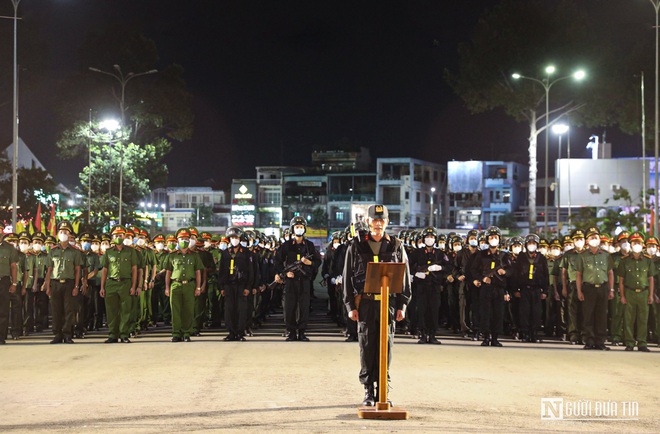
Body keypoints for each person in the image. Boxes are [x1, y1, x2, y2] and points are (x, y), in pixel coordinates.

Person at [342, 204, 411, 407]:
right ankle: (368, 391)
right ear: (368, 222)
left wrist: (403, 305)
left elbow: (405, 279)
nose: (378, 224)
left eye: (382, 220)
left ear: (387, 222)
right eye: (375, 220)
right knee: (367, 346)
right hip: (365, 304)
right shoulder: (356, 245)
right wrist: (350, 306)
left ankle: (383, 389)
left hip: (388, 304)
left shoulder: (396, 246)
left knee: (385, 347)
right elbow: (347, 277)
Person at [274, 216, 321, 342]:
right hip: (290, 281)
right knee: (289, 307)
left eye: (301, 227)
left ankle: (302, 332)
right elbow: (277, 261)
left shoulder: (309, 246)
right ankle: (291, 332)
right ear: (292, 229)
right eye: (296, 227)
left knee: (304, 307)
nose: (299, 229)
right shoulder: (286, 245)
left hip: (304, 281)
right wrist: (284, 274)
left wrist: (309, 263)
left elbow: (318, 261)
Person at [470, 226, 512, 347]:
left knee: (498, 314)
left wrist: (505, 273)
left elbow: (512, 271)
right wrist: (482, 278)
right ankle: (486, 337)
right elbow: (473, 270)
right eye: (491, 237)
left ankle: (495, 338)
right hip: (486, 288)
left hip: (499, 289)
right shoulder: (481, 255)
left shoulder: (504, 256)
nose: (494, 239)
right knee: (485, 313)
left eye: (496, 237)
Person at [410, 226, 452, 344]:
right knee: (422, 310)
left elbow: (449, 267)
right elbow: (409, 265)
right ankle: (422, 334)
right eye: (427, 237)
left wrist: (440, 267)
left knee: (434, 310)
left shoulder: (440, 254)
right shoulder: (417, 253)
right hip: (421, 286)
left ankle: (432, 334)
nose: (429, 239)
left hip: (435, 286)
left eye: (432, 237)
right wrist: (417, 273)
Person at [576, 227, 614, 350]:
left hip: (603, 288)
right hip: (588, 288)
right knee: (588, 315)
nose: (594, 239)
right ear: (587, 241)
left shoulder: (606, 255)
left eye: (596, 237)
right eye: (591, 237)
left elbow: (610, 273)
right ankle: (589, 341)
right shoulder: (582, 256)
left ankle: (600, 341)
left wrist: (611, 289)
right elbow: (579, 275)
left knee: (602, 316)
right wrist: (579, 291)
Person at [44, 221, 83, 344]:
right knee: (56, 310)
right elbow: (49, 269)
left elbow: (77, 270)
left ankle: (67, 334)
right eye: (61, 232)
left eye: (65, 232)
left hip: (69, 283)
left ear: (69, 234)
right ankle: (57, 334)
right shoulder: (52, 250)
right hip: (55, 283)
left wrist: (77, 286)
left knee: (69, 310)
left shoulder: (75, 251)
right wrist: (47, 285)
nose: (63, 234)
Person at [163, 228, 204, 342]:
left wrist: (198, 287)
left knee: (188, 310)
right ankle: (176, 333)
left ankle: (186, 332)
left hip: (189, 285)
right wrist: (167, 287)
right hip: (175, 285)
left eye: (186, 239)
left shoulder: (194, 255)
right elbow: (168, 272)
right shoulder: (172, 256)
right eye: (182, 239)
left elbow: (198, 272)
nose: (184, 241)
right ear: (177, 240)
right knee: (175, 310)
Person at [100, 225, 139, 343]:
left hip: (125, 283)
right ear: (112, 237)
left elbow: (134, 270)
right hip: (111, 283)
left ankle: (124, 334)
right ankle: (112, 334)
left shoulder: (131, 251)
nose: (118, 237)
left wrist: (133, 286)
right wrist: (102, 286)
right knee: (111, 311)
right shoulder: (108, 252)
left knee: (125, 310)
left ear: (124, 237)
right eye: (116, 235)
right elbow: (105, 270)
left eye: (120, 235)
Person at [617, 232, 655, 352]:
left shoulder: (648, 261)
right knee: (629, 319)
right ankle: (629, 342)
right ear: (631, 244)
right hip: (629, 292)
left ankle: (642, 343)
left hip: (643, 293)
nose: (636, 245)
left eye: (639, 242)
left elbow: (651, 279)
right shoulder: (624, 261)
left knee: (643, 319)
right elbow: (621, 280)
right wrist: (622, 295)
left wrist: (650, 294)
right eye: (634, 243)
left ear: (642, 244)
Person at [511, 234, 549, 343]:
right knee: (524, 312)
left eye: (533, 243)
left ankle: (534, 334)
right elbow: (516, 275)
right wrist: (516, 290)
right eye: (529, 243)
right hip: (524, 289)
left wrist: (545, 291)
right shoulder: (521, 257)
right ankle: (525, 333)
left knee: (536, 313)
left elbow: (545, 275)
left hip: (537, 290)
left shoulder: (541, 258)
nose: (531, 245)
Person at [218, 227, 254, 341]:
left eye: (236, 237)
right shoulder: (225, 253)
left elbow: (251, 271)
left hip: (241, 285)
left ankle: (240, 332)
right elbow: (222, 271)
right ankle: (231, 332)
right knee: (229, 310)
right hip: (228, 285)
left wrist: (248, 287)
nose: (234, 239)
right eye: (232, 237)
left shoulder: (247, 253)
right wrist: (222, 287)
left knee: (241, 310)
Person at [560, 229, 586, 344]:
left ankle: (584, 334)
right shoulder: (568, 254)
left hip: (586, 285)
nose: (579, 241)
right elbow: (564, 272)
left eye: (581, 239)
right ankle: (573, 334)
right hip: (572, 285)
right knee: (572, 310)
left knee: (585, 311)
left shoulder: (588, 253)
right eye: (576, 239)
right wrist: (564, 287)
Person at [0, 224, 19, 344]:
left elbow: (13, 266)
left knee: (3, 310)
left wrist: (14, 283)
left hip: (4, 281)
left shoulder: (9, 248)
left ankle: (1, 336)